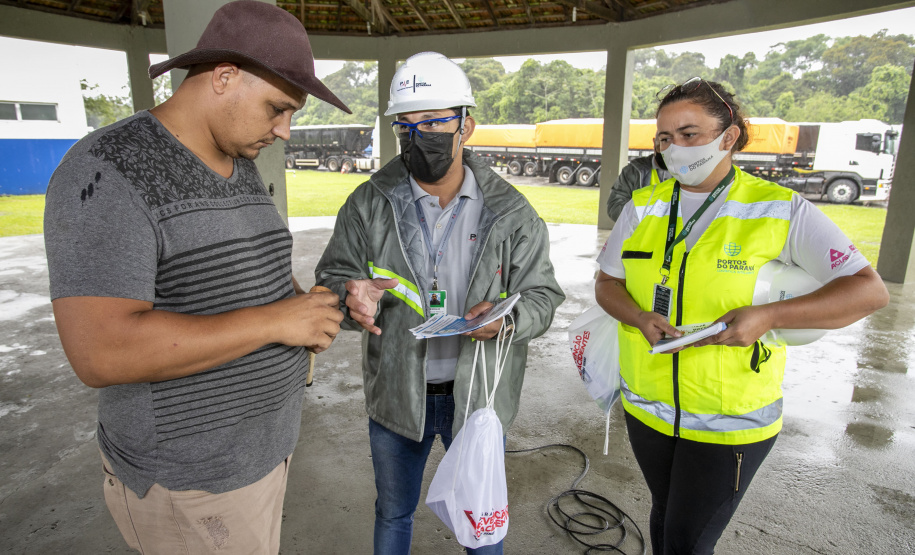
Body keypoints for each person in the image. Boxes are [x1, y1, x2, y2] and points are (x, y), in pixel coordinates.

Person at [43, 2, 349, 553]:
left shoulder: (240, 163)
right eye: (278, 109)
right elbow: (100, 352)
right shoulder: (107, 171)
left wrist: (319, 305)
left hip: (261, 454)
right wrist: (275, 322)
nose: (284, 131)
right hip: (190, 484)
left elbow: (260, 286)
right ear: (224, 76)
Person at [594, 77, 889, 554]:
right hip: (646, 410)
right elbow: (607, 285)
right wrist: (639, 317)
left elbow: (868, 291)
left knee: (688, 541)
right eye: (665, 139)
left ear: (728, 137)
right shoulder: (641, 207)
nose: (675, 149)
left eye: (689, 135)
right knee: (665, 517)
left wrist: (770, 315)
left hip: (729, 421)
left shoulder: (780, 209)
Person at [314, 51, 565, 554]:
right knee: (393, 513)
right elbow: (333, 277)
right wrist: (348, 295)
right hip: (397, 394)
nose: (418, 136)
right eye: (406, 126)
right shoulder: (369, 203)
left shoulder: (511, 212)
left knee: (481, 522)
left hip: (475, 399)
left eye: (433, 122)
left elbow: (543, 295)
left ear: (465, 126)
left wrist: (506, 319)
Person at [606, 141, 671, 223]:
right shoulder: (634, 171)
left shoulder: (687, 175)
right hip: (640, 233)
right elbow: (614, 207)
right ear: (655, 143)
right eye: (663, 142)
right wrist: (639, 217)